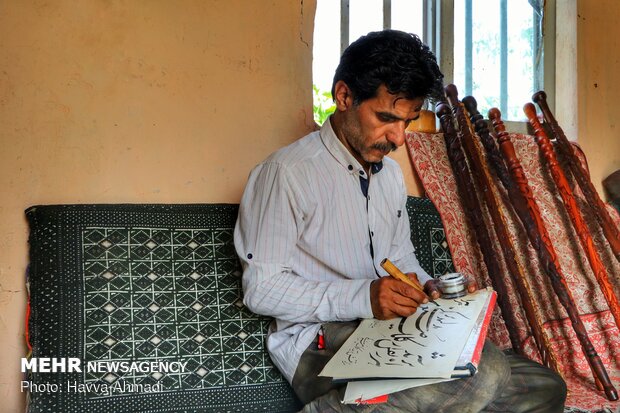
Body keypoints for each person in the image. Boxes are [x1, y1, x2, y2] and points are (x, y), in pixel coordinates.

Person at [234, 30, 566, 412]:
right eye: (386, 118)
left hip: (391, 331)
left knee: (542, 387)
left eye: (407, 121)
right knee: (485, 375)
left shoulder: (389, 176)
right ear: (343, 97)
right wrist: (364, 297)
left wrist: (429, 285)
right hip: (318, 343)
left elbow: (398, 257)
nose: (399, 138)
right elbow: (262, 290)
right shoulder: (285, 173)